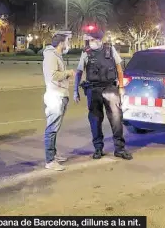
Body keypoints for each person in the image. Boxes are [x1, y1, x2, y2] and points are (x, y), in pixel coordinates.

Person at [73, 29, 133, 160]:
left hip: (110, 88)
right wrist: (75, 90)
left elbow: (119, 68)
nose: (92, 42)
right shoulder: (86, 53)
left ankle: (119, 149)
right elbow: (78, 72)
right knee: (95, 121)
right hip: (93, 90)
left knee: (116, 119)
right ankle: (98, 149)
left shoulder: (110, 50)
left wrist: (121, 87)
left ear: (100, 40)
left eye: (94, 40)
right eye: (90, 40)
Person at [42, 31, 75, 171]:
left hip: (60, 94)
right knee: (52, 129)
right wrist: (68, 73)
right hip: (55, 96)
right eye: (67, 41)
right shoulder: (51, 56)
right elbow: (53, 75)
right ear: (61, 43)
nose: (68, 44)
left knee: (55, 128)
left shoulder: (56, 55)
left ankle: (53, 155)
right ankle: (50, 160)